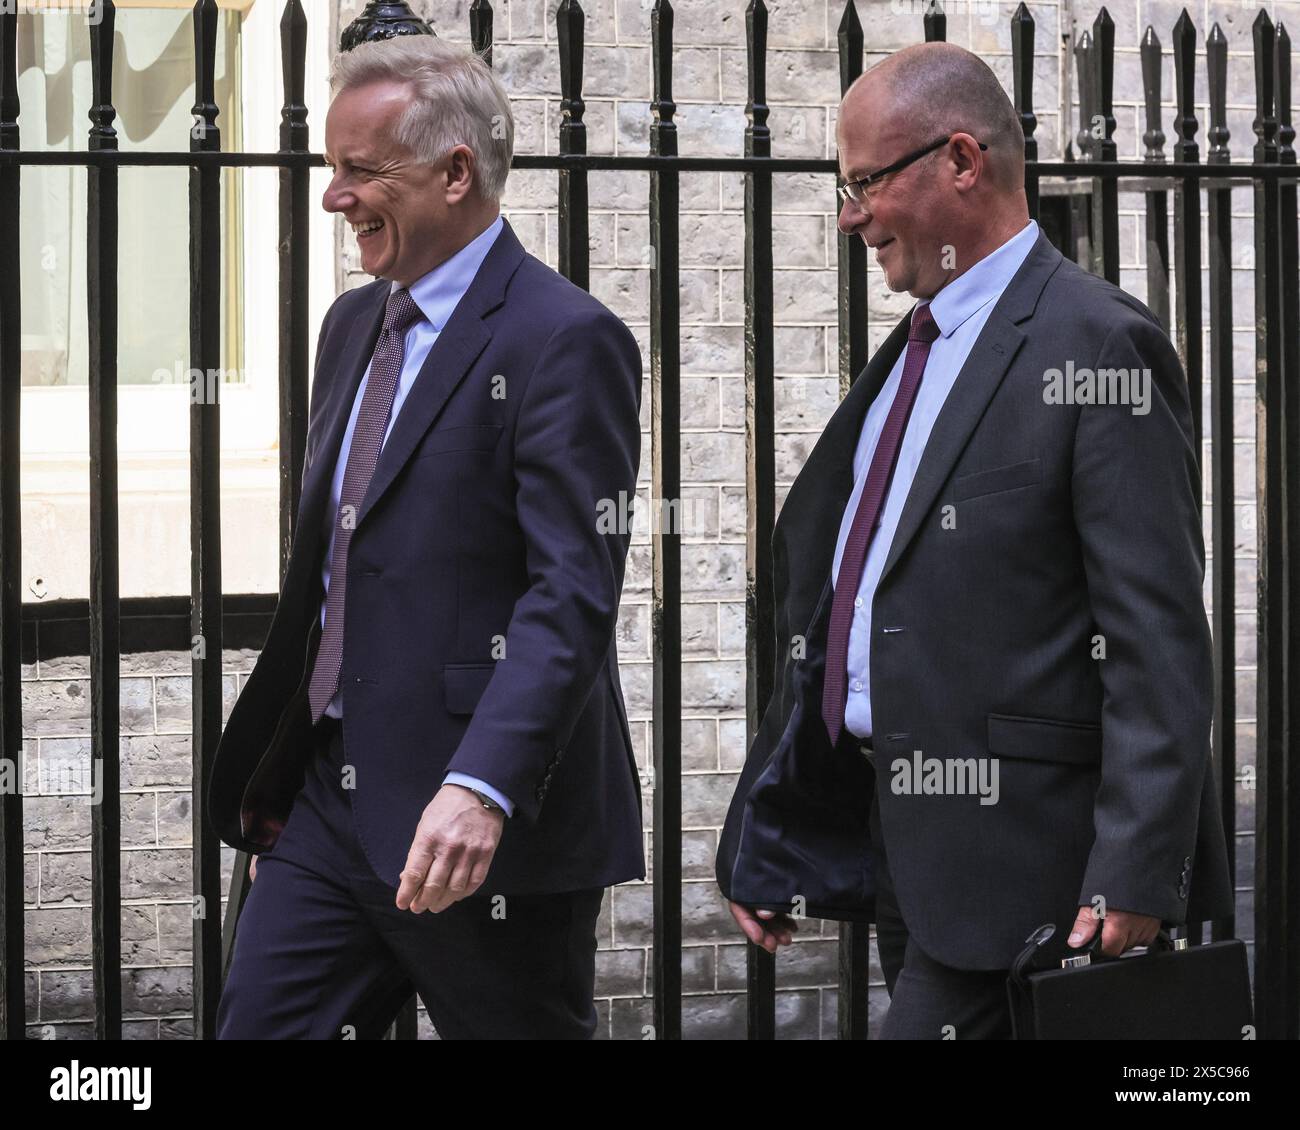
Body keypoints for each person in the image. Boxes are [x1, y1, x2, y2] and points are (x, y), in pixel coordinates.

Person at [715, 41, 1233, 1039]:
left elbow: (1156, 634)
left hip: (1036, 878)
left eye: (866, 180)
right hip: (905, 853)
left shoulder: (1097, 344)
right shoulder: (909, 357)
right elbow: (846, 603)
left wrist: (1134, 867)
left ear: (960, 159)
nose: (849, 214)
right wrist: (768, 820)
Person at [208, 34, 644, 1039]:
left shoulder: (563, 339)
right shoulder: (349, 328)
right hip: (325, 800)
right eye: (332, 169)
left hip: (476, 825)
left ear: (456, 173)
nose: (335, 196)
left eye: (360, 171)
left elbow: (570, 591)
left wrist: (482, 785)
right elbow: (334, 563)